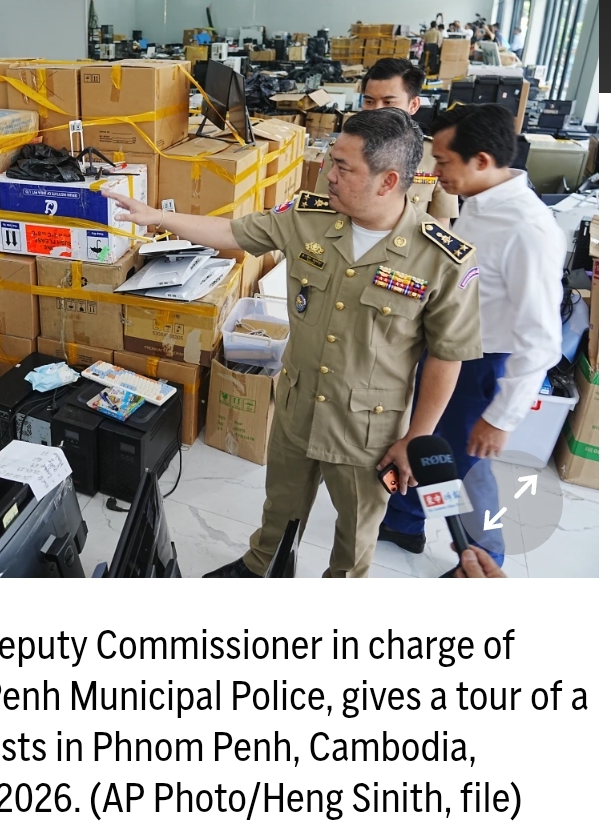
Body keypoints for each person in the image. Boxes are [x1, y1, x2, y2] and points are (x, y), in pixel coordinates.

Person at [103, 109, 484, 578]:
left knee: (357, 531)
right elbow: (232, 233)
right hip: (298, 405)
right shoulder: (308, 217)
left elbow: (448, 356)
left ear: (388, 182)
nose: (328, 173)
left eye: (344, 167)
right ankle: (262, 566)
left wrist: (416, 436)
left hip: (367, 431)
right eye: (330, 160)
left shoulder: (441, 258)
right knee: (281, 504)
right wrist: (157, 216)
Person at [379, 104, 565, 563]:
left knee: (455, 466)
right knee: (424, 445)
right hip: (452, 349)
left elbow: (541, 340)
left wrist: (501, 417)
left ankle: (483, 556)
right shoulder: (482, 201)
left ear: (481, 160)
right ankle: (404, 522)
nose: (435, 171)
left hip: (483, 365)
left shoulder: (528, 230)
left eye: (443, 162)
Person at [315, 57, 459, 227]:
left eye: (388, 102)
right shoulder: (340, 150)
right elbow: (320, 210)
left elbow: (440, 226)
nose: (376, 111)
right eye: (369, 101)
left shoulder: (436, 156)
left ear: (413, 105)